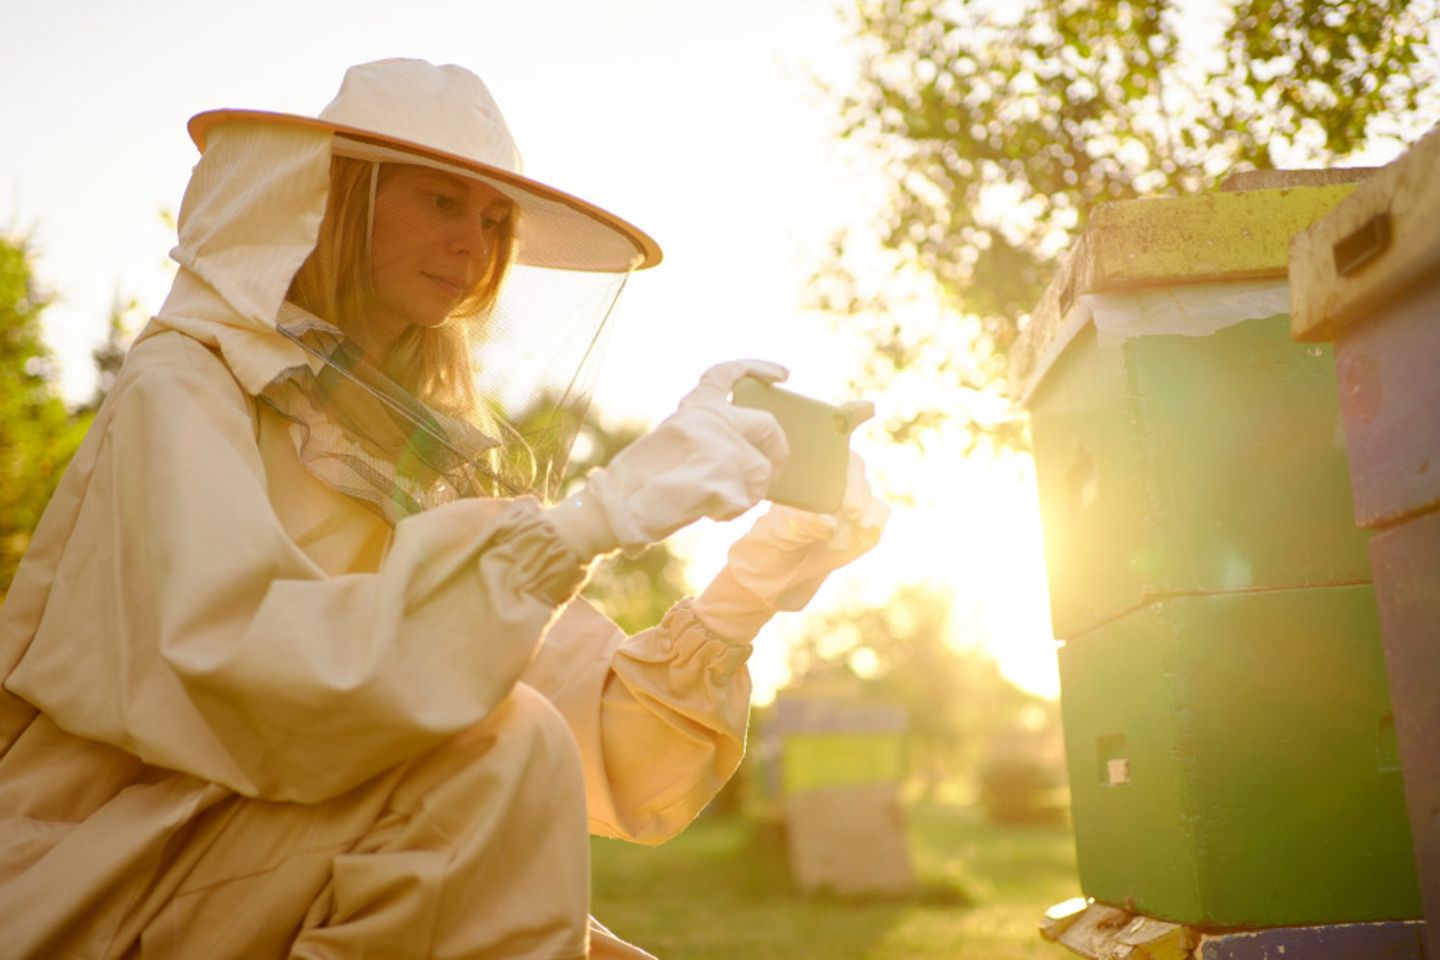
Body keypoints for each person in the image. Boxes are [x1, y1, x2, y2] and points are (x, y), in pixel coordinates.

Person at [0, 59, 886, 958]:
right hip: (110, 867)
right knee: (501, 765)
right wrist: (595, 518)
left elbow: (599, 750)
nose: (474, 242)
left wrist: (762, 574)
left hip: (292, 857)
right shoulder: (186, 382)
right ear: (338, 197)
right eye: (441, 202)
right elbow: (242, 669)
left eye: (496, 219)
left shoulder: (426, 458)